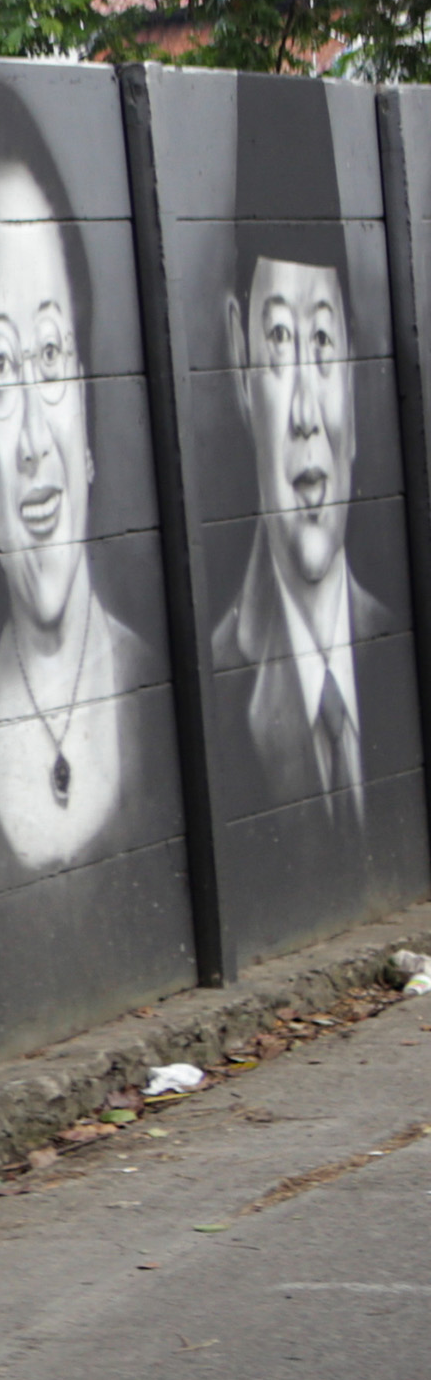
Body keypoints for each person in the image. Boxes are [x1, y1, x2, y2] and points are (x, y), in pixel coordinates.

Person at [0, 80, 165, 885]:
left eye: (51, 356)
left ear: (90, 398)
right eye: (0, 367)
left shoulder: (173, 692)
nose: (35, 439)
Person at [206, 75, 382, 835]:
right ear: (242, 362)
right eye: (279, 342)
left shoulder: (394, 636)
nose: (308, 415)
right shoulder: (216, 680)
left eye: (322, 341)